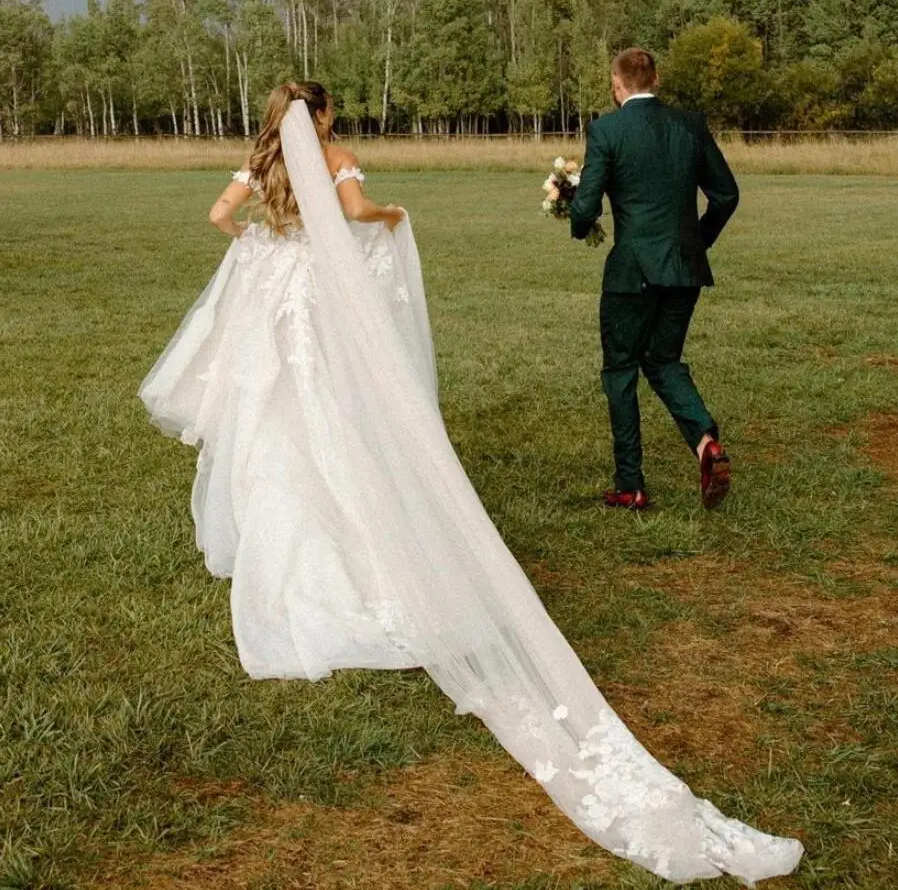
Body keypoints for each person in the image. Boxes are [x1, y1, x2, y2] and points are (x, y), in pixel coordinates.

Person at [140, 81, 802, 884]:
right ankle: (358, 550)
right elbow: (352, 217)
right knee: (340, 418)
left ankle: (281, 545)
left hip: (280, 300)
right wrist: (393, 217)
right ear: (319, 119)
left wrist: (261, 244)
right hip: (321, 301)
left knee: (278, 423)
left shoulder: (258, 161)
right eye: (330, 114)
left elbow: (218, 220)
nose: (335, 126)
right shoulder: (338, 160)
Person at [571, 48, 739, 512]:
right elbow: (726, 194)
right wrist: (697, 242)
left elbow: (586, 206)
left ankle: (631, 484)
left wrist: (578, 222)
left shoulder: (607, 130)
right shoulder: (690, 125)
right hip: (684, 268)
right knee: (664, 360)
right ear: (656, 79)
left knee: (621, 371)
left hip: (633, 272)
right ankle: (706, 443)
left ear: (616, 83)